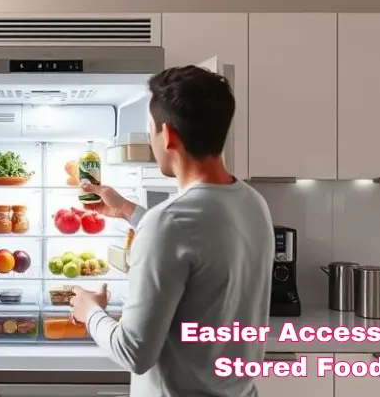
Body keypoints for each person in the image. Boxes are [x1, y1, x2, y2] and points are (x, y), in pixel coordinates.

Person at [69, 65, 275, 397]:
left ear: (169, 136)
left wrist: (89, 310)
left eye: (150, 130)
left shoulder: (168, 223)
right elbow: (197, 241)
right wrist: (127, 210)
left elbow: (133, 352)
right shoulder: (252, 202)